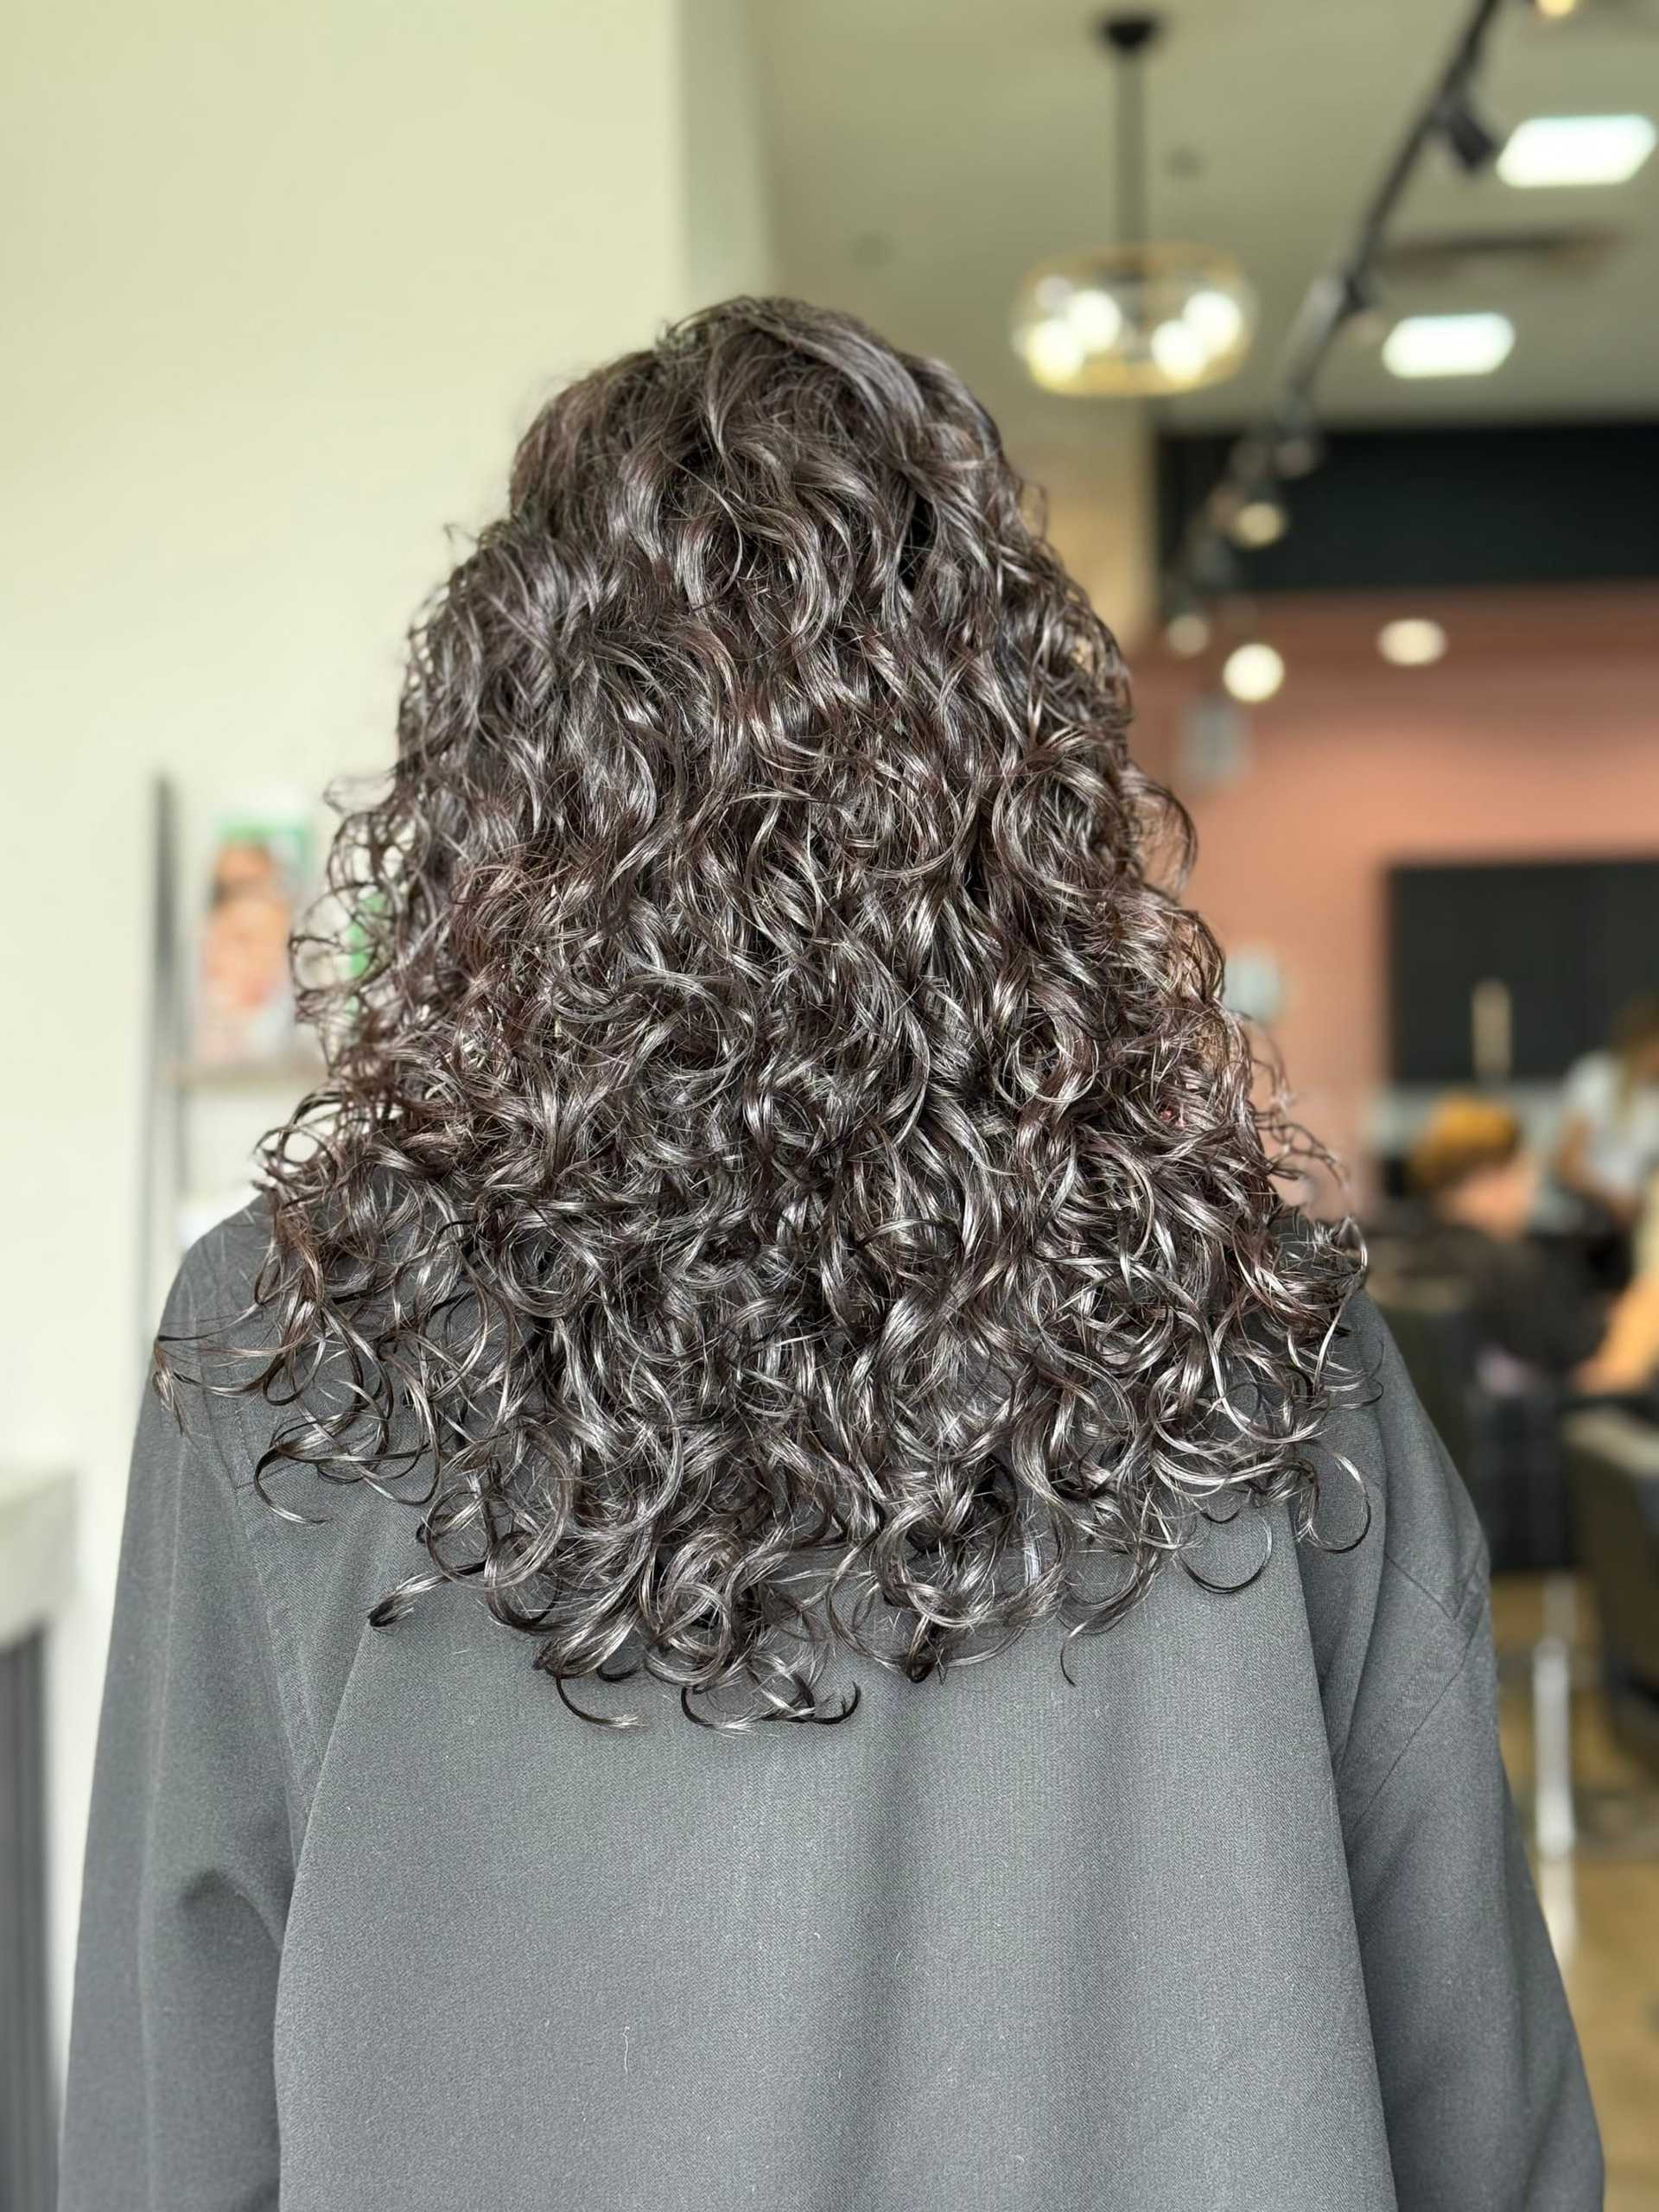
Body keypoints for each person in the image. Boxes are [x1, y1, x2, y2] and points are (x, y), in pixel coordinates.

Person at [60, 300, 1600, 2212]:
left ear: (504, 787)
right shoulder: (1264, 1334)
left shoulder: (291, 1334)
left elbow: (167, 2098)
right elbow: (1492, 2119)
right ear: (1017, 777)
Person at [1549, 995, 1659, 1280]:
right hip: (1593, 1218)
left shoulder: (1653, 1095)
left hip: (1640, 1218)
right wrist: (1613, 1198)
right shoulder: (1596, 1078)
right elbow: (1565, 1162)